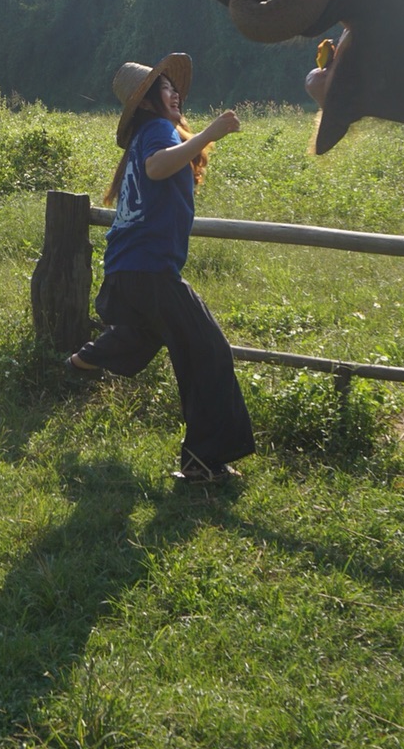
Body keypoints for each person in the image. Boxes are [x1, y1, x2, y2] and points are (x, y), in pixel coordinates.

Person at [68, 52, 255, 483]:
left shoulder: (147, 133)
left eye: (174, 88)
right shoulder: (156, 130)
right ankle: (203, 463)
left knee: (148, 332)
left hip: (127, 269)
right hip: (149, 268)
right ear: (148, 101)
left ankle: (84, 360)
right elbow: (157, 168)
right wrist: (213, 132)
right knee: (207, 352)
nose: (176, 94)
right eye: (167, 89)